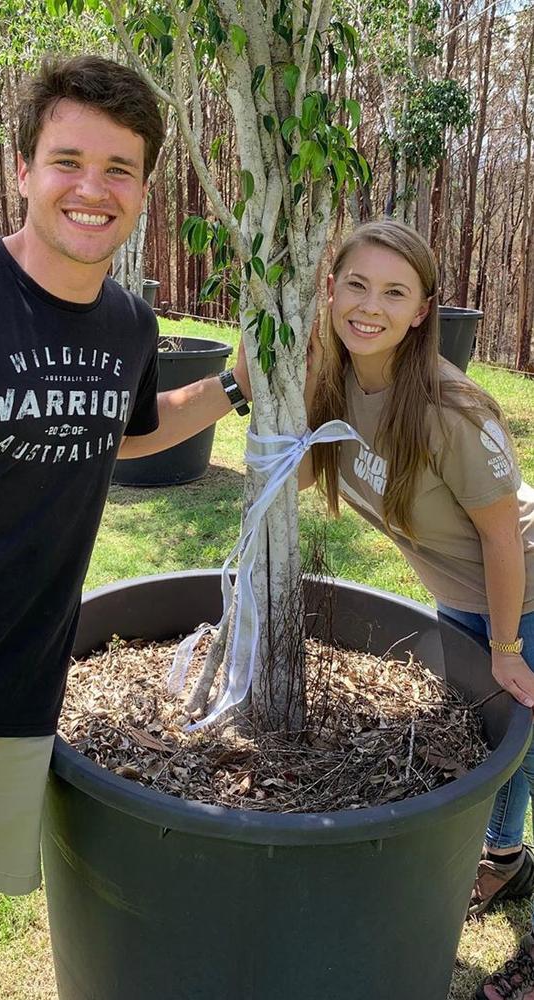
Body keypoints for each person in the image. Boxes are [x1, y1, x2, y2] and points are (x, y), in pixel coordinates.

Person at [0, 54, 250, 1000]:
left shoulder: (129, 322)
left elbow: (126, 432)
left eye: (119, 168)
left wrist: (239, 385)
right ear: (22, 170)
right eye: (67, 160)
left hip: (13, 692)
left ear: (144, 188)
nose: (93, 189)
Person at [301, 219, 534, 1000]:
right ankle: (505, 860)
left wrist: (506, 645)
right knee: (501, 735)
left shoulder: (450, 409)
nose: (371, 306)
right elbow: (304, 471)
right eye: (357, 284)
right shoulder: (334, 381)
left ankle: (503, 865)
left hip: (520, 591)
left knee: (512, 725)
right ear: (330, 289)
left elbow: (503, 539)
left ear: (423, 309)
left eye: (394, 292)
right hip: (463, 593)